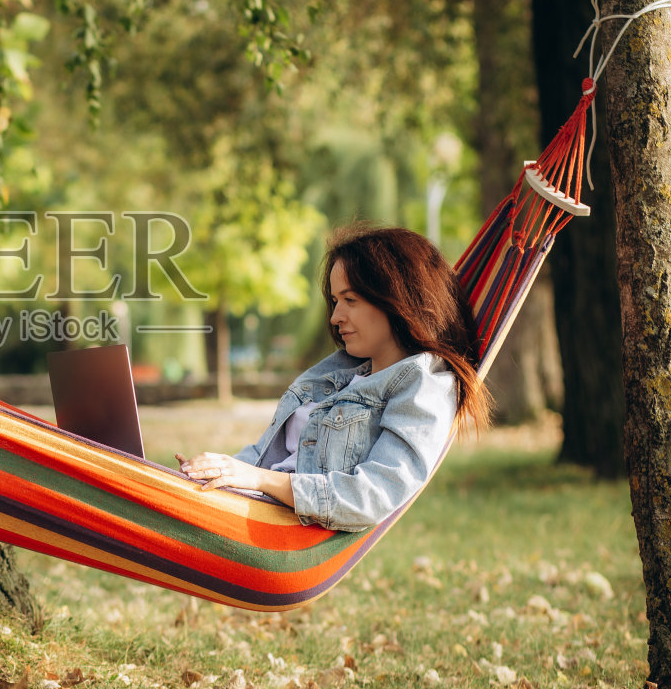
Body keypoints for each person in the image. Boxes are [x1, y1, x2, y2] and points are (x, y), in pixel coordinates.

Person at [178, 226, 490, 531]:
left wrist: (259, 480)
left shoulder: (425, 384)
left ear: (396, 299)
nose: (335, 317)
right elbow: (267, 456)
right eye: (336, 301)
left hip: (283, 530)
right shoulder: (341, 371)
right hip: (248, 510)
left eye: (350, 300)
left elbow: (372, 495)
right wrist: (213, 470)